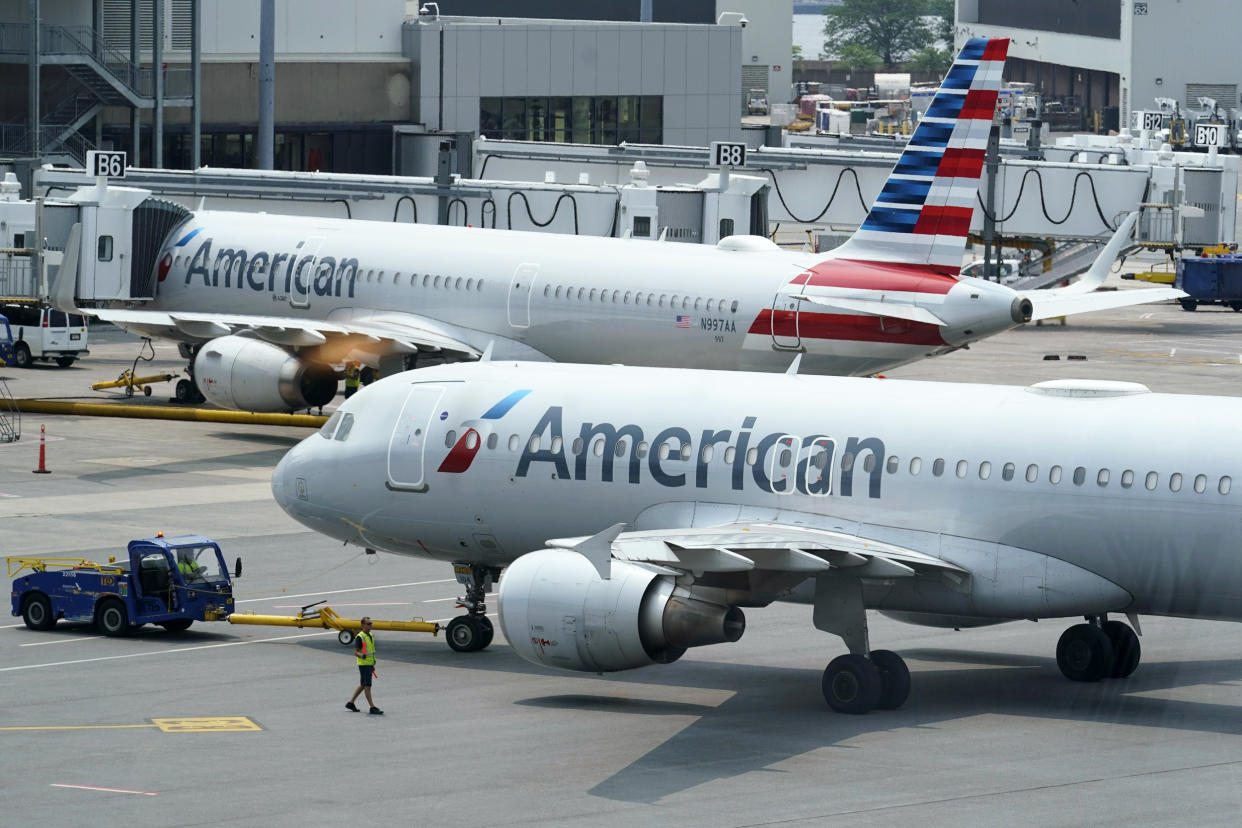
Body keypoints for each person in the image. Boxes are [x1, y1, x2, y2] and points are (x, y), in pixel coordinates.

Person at [346, 617, 383, 715]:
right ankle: (372, 707)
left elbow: (371, 650)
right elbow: (355, 652)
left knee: (363, 684)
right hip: (364, 664)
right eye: (368, 624)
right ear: (363, 625)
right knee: (367, 686)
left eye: (371, 623)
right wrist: (362, 655)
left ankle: (351, 703)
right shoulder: (360, 637)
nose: (370, 625)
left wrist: (372, 663)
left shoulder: (370, 635)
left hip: (369, 664)